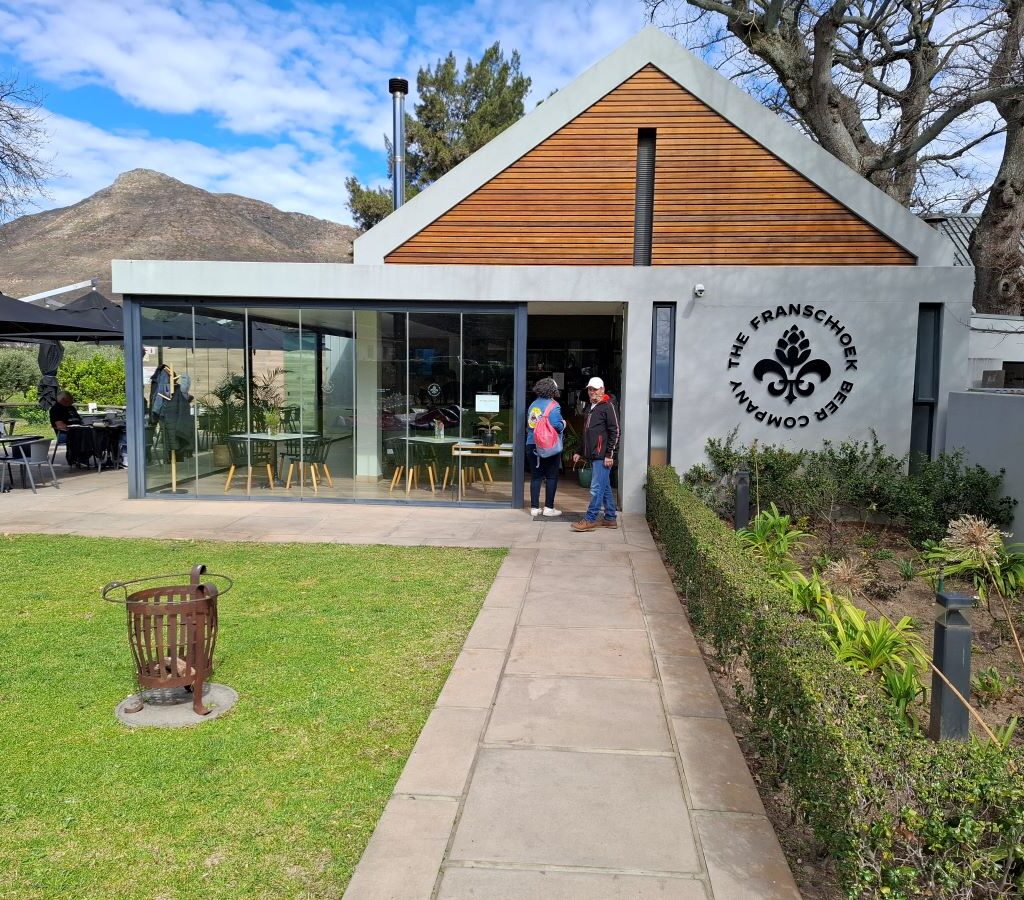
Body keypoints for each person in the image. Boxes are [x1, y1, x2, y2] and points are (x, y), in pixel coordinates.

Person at [571, 376, 620, 532]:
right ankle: (610, 518)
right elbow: (586, 433)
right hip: (593, 454)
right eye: (590, 389)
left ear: (602, 389)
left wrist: (610, 455)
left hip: (603, 455)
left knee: (596, 488)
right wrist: (579, 451)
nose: (592, 392)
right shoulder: (590, 407)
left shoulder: (608, 406)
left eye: (595, 389)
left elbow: (616, 431)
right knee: (604, 487)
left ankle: (590, 519)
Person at [526, 376, 565, 517]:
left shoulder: (533, 405)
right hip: (548, 446)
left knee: (536, 477)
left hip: (532, 444)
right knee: (551, 476)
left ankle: (534, 508)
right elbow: (557, 425)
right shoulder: (554, 405)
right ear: (552, 390)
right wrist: (564, 424)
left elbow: (531, 425)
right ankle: (548, 508)